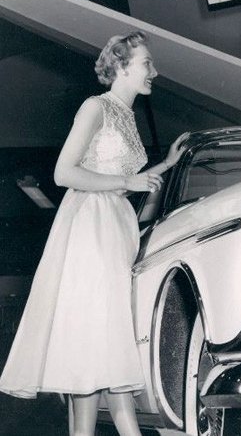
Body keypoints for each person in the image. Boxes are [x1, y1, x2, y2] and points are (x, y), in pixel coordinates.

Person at [0, 31, 188, 436]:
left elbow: (126, 181)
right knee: (97, 344)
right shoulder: (95, 107)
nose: (153, 71)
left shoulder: (127, 115)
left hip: (115, 224)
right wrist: (132, 181)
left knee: (100, 352)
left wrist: (165, 166)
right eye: (145, 63)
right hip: (91, 228)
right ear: (120, 66)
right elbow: (63, 173)